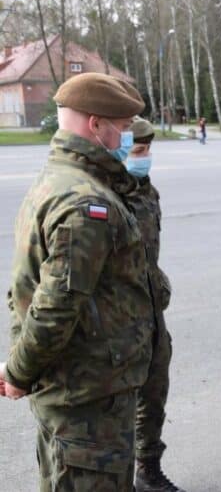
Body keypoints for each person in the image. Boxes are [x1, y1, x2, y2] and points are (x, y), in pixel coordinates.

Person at [0, 72, 154, 491]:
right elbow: (55, 305)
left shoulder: (57, 178)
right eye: (121, 128)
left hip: (80, 390)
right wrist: (18, 372)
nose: (126, 136)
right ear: (95, 124)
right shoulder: (87, 202)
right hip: (86, 397)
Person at [125, 118, 183, 492]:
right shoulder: (99, 195)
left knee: (153, 394)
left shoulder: (148, 193)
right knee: (116, 407)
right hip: (116, 319)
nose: (142, 158)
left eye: (147, 151)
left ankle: (148, 468)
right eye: (135, 151)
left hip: (151, 314)